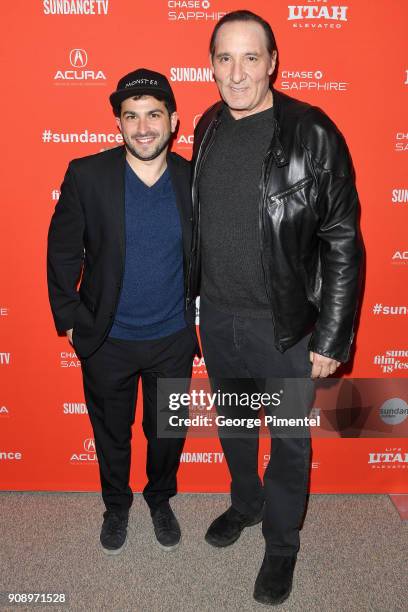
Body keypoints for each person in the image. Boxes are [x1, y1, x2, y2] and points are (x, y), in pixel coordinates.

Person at [188, 10, 363, 605]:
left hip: (284, 326)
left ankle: (282, 545)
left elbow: (341, 239)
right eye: (224, 58)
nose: (236, 73)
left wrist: (332, 337)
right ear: (211, 64)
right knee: (236, 425)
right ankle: (246, 503)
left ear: (273, 61)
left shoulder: (312, 132)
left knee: (287, 438)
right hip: (219, 316)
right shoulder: (208, 125)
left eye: (250, 58)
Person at [47, 68, 199, 555]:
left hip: (174, 338)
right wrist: (70, 319)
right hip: (107, 338)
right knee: (111, 432)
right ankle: (116, 504)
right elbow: (62, 252)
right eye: (130, 116)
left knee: (167, 431)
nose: (142, 127)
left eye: (153, 114)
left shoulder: (195, 181)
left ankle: (159, 498)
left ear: (173, 121)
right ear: (119, 123)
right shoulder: (86, 176)